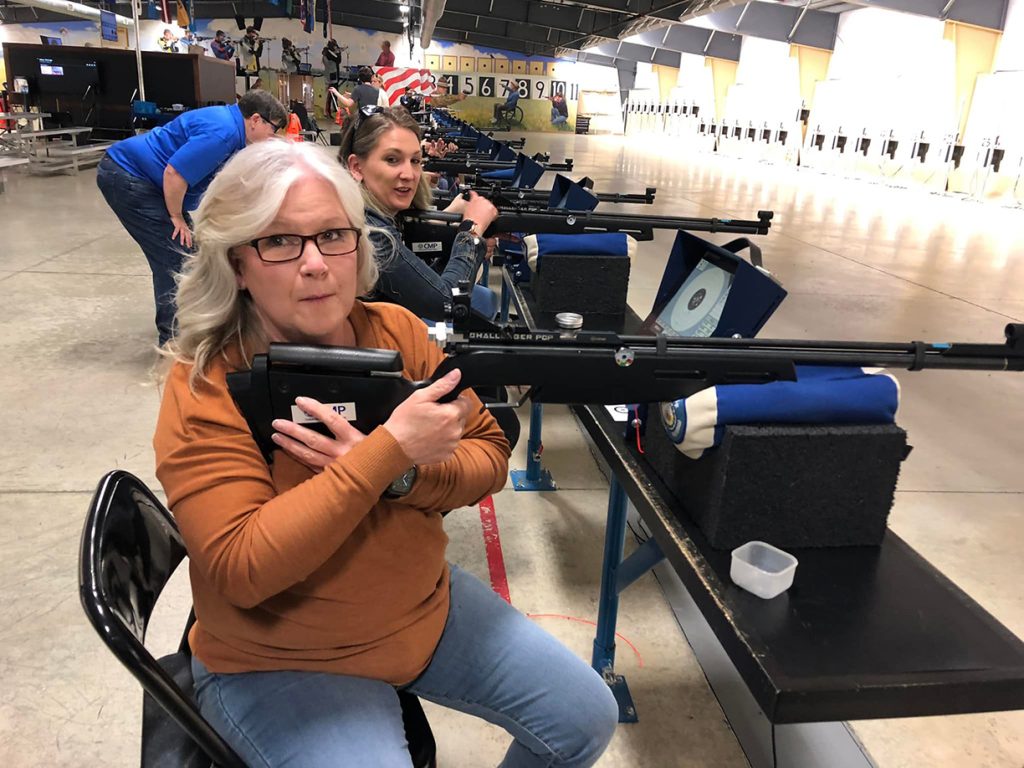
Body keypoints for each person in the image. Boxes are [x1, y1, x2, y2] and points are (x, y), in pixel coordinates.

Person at [154, 138, 618, 768]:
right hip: (278, 656)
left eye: (334, 235)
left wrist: (404, 478)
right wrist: (386, 454)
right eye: (281, 242)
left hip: (420, 608)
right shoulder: (206, 380)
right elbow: (241, 567)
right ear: (238, 263)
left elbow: (487, 456)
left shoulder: (396, 331)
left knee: (586, 716)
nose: (316, 264)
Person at [96, 90, 287, 346]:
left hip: (148, 179)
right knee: (174, 257)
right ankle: (173, 343)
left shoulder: (230, 128)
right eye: (273, 130)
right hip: (131, 177)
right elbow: (175, 173)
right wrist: (176, 217)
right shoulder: (223, 133)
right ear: (255, 120)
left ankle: (192, 327)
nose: (273, 138)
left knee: (190, 253)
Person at [340, 106, 496, 320]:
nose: (410, 175)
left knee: (486, 300)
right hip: (379, 342)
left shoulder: (366, 211)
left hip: (387, 326)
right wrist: (472, 233)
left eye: (415, 161)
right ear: (356, 166)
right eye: (392, 159)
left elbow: (419, 266)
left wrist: (458, 234)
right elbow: (446, 305)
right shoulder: (370, 232)